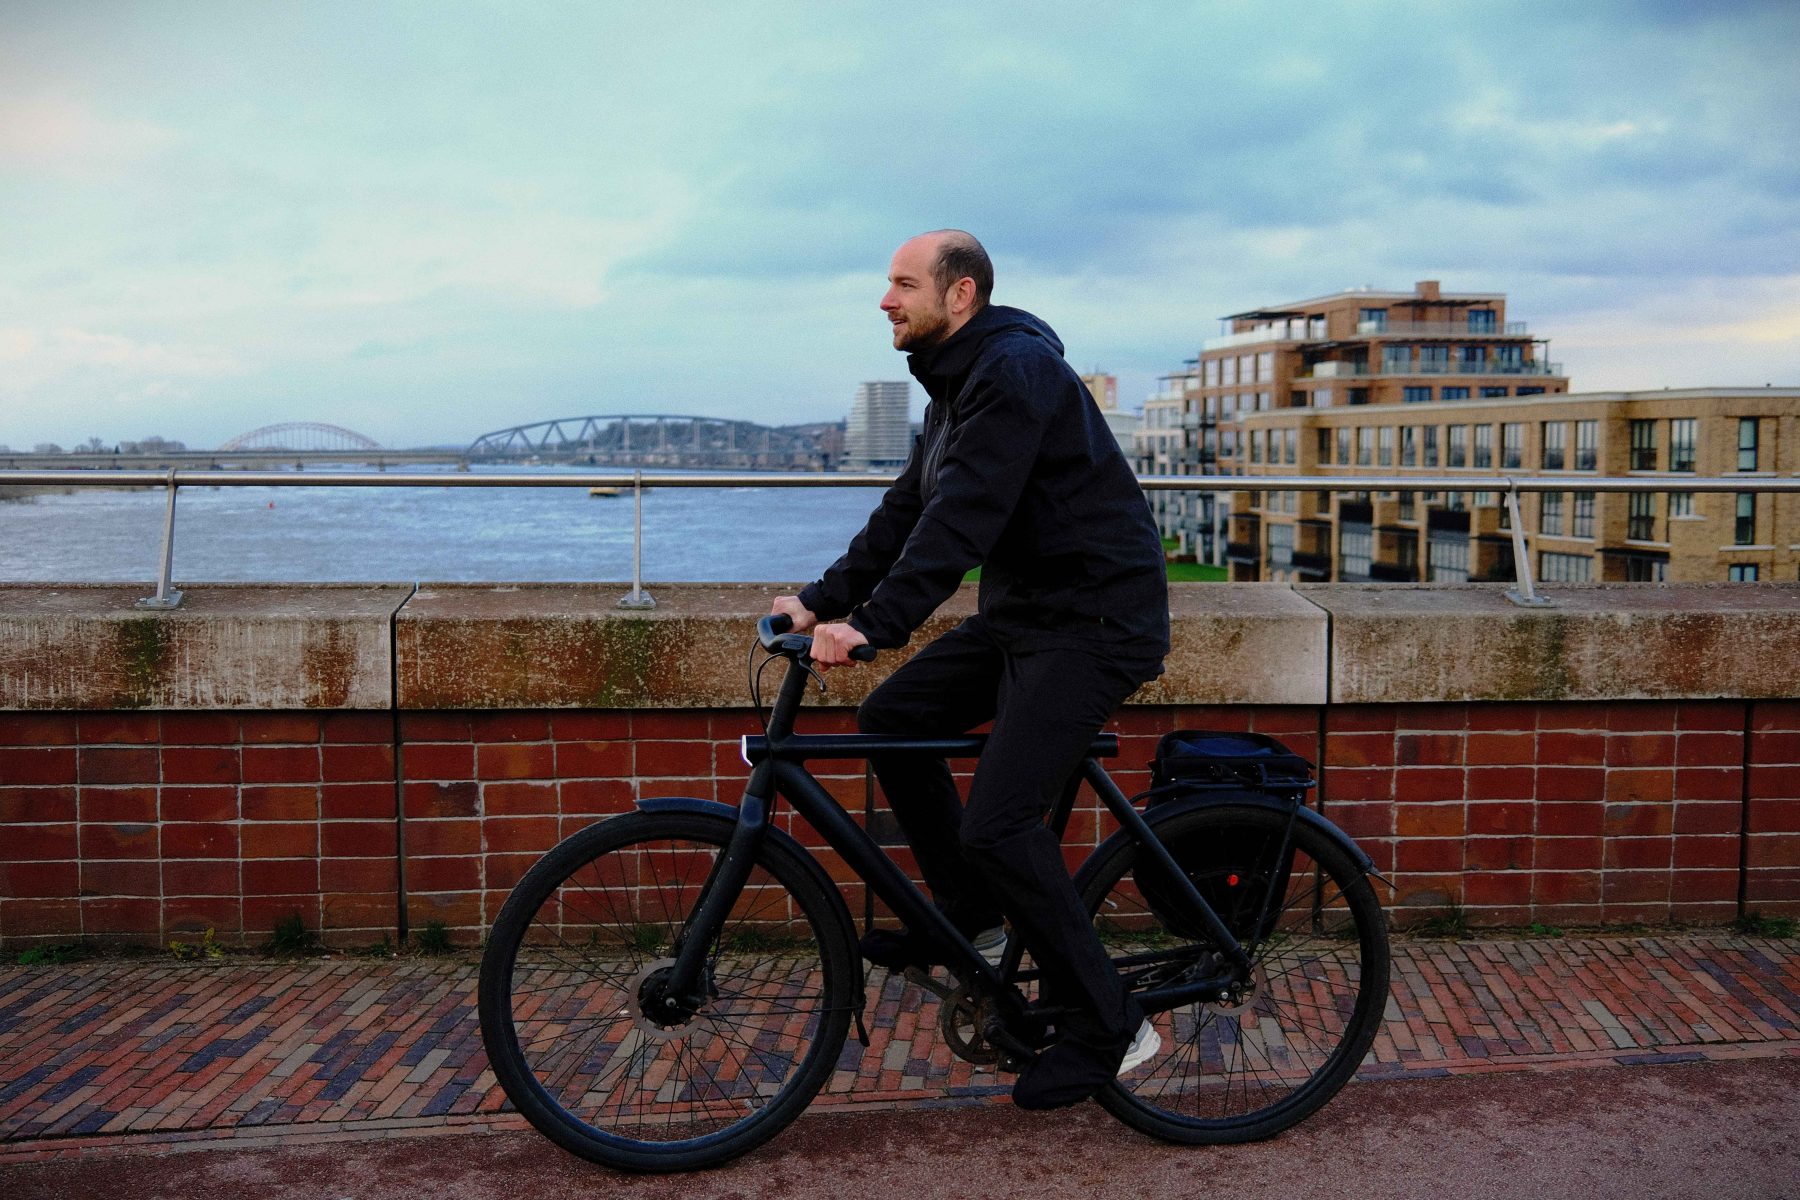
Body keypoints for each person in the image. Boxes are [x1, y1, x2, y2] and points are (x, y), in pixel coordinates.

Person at [770, 230, 1170, 1111]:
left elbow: (964, 521)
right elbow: (907, 510)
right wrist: (816, 600)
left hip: (1095, 623)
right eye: (887, 283)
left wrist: (873, 624)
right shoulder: (951, 389)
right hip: (1026, 619)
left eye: (903, 284)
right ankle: (976, 928)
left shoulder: (1014, 372)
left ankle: (1111, 1025)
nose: (885, 299)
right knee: (891, 720)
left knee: (1000, 821)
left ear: (961, 296)